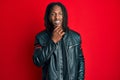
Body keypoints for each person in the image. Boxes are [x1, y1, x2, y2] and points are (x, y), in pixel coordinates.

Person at [33, 2, 85, 80]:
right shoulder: (40, 37)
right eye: (53, 14)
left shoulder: (75, 37)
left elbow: (80, 60)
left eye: (60, 14)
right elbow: (37, 61)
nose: (57, 18)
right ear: (48, 17)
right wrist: (52, 41)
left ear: (64, 16)